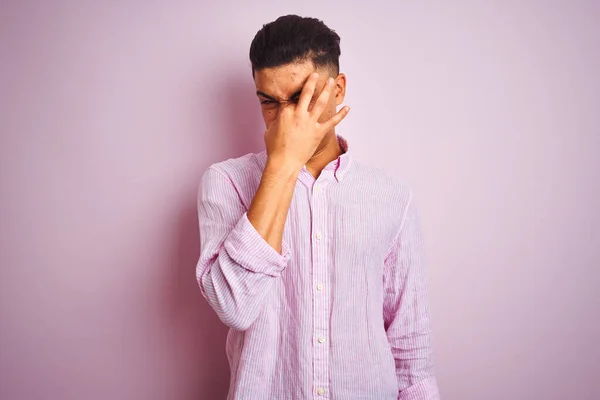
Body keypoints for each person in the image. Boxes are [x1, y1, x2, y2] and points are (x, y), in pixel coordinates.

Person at [196, 14, 440, 400]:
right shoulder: (224, 183)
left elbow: (411, 353)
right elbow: (235, 306)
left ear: (338, 89)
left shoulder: (392, 197)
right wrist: (283, 165)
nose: (286, 118)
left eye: (300, 98)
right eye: (269, 103)